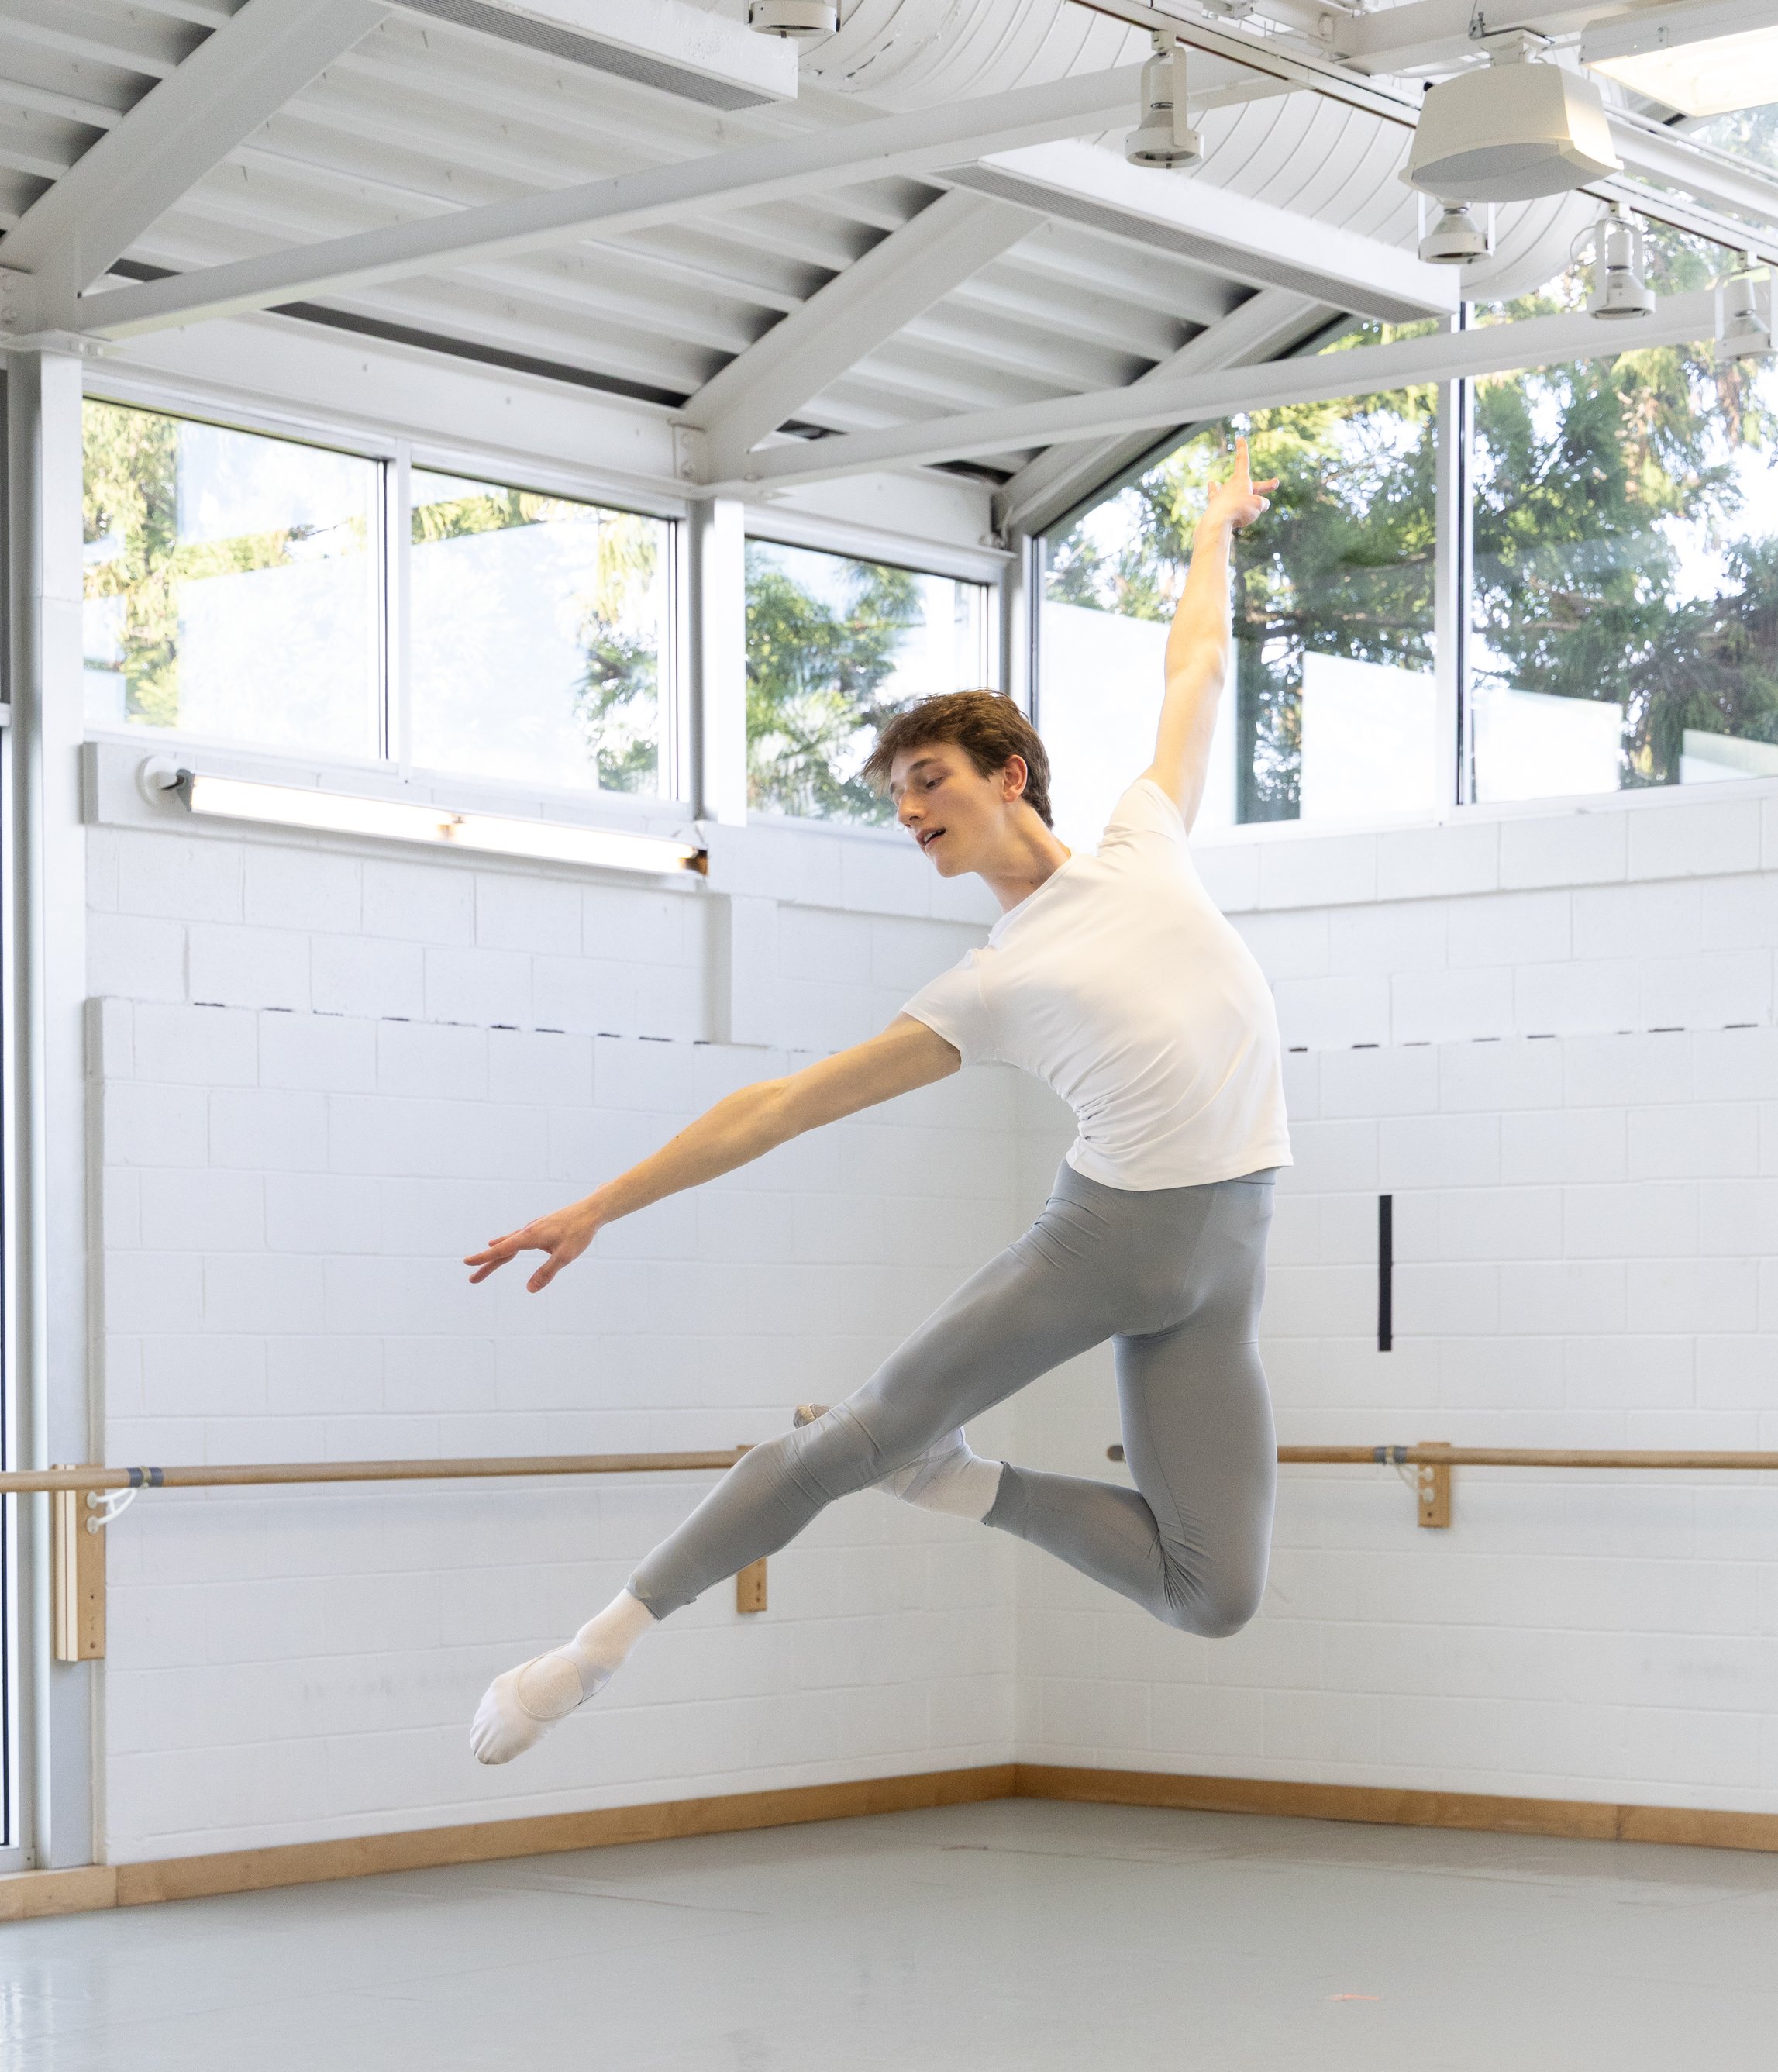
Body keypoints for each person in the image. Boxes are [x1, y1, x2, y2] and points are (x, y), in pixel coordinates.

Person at [464, 442, 1290, 1766]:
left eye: (929, 781)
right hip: (1109, 1245)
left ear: (1008, 770)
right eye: (897, 797)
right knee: (851, 1440)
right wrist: (600, 1205)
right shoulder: (990, 983)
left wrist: (1210, 530)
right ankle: (591, 1649)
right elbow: (781, 1106)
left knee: (1216, 1595)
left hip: (1227, 1263)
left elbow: (1193, 663)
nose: (910, 809)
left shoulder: (1147, 838)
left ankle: (961, 1484)